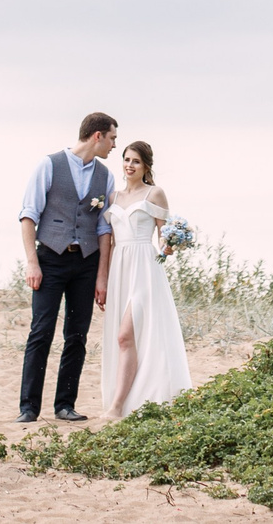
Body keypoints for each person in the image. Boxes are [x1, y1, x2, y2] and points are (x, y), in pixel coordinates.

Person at [15, 112, 117, 422]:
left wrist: (102, 277)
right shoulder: (49, 165)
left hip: (86, 263)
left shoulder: (106, 176)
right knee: (41, 332)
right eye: (112, 138)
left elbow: (104, 230)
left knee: (77, 335)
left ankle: (64, 405)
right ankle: (29, 408)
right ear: (97, 135)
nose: (114, 145)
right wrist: (32, 263)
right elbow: (28, 216)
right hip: (50, 259)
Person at [100, 139, 191, 420]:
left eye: (136, 161)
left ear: (146, 166)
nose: (129, 165)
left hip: (145, 268)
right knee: (125, 340)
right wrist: (102, 278)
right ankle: (126, 400)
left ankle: (116, 406)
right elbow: (110, 242)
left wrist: (174, 242)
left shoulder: (155, 194)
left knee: (125, 335)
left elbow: (164, 241)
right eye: (126, 159)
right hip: (120, 270)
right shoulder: (113, 198)